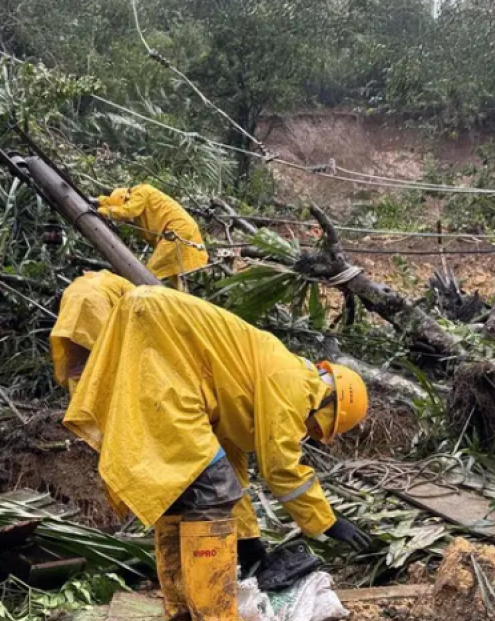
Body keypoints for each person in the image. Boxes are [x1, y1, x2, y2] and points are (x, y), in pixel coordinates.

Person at [59, 284, 371, 621]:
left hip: (159, 342)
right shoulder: (293, 380)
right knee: (211, 487)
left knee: (185, 487)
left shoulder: (249, 382)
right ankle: (214, 614)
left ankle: (182, 609)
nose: (305, 432)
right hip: (159, 336)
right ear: (329, 404)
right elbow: (280, 465)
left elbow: (232, 463)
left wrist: (250, 540)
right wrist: (328, 521)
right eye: (314, 428)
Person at [96, 184, 209, 286]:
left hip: (178, 229)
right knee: (172, 270)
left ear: (126, 197)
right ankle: (181, 296)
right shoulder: (138, 194)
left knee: (149, 271)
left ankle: (152, 300)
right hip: (180, 228)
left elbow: (128, 211)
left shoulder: (140, 192)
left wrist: (103, 211)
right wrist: (100, 201)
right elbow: (115, 203)